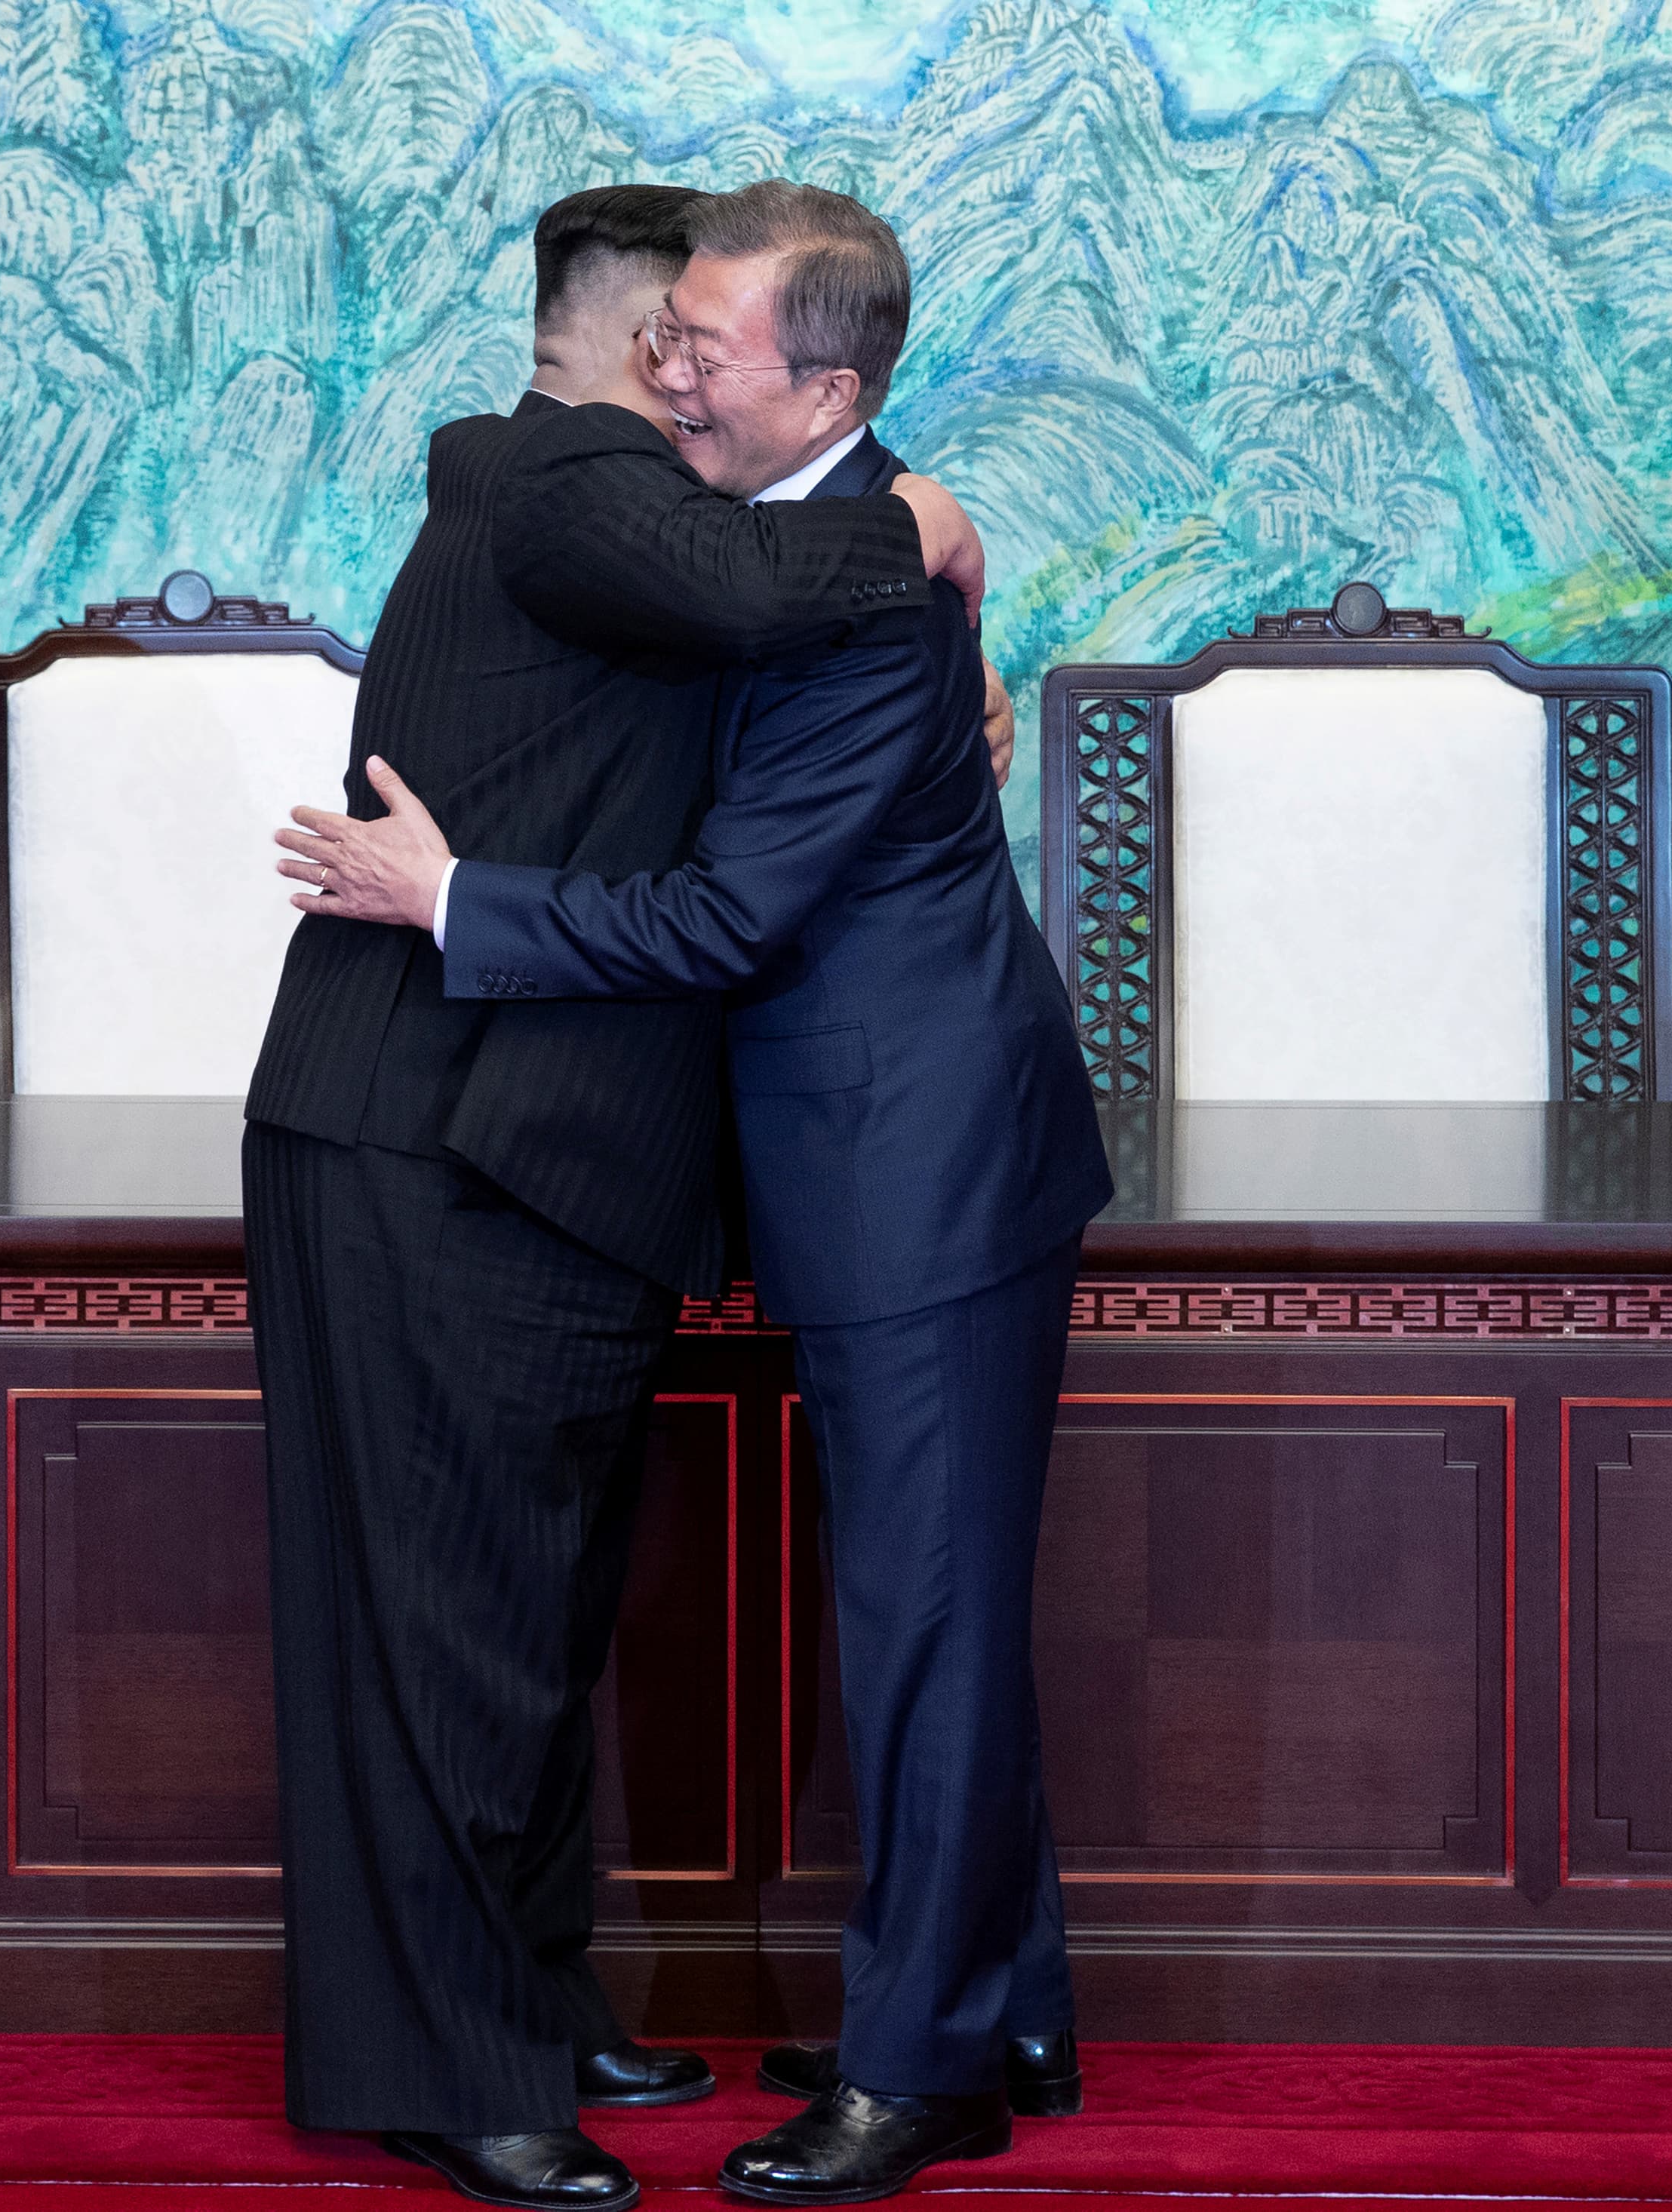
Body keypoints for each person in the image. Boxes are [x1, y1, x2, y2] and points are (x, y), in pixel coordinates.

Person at [280, 181, 1111, 2206]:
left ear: (826, 379)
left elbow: (736, 902)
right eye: (663, 331)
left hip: (919, 1160)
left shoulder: (848, 575)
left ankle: (923, 2060)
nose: (672, 366)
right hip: (817, 1154)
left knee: (925, 1621)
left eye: (707, 341)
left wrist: (449, 894)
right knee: (932, 1614)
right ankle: (986, 2003)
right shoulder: (741, 535)